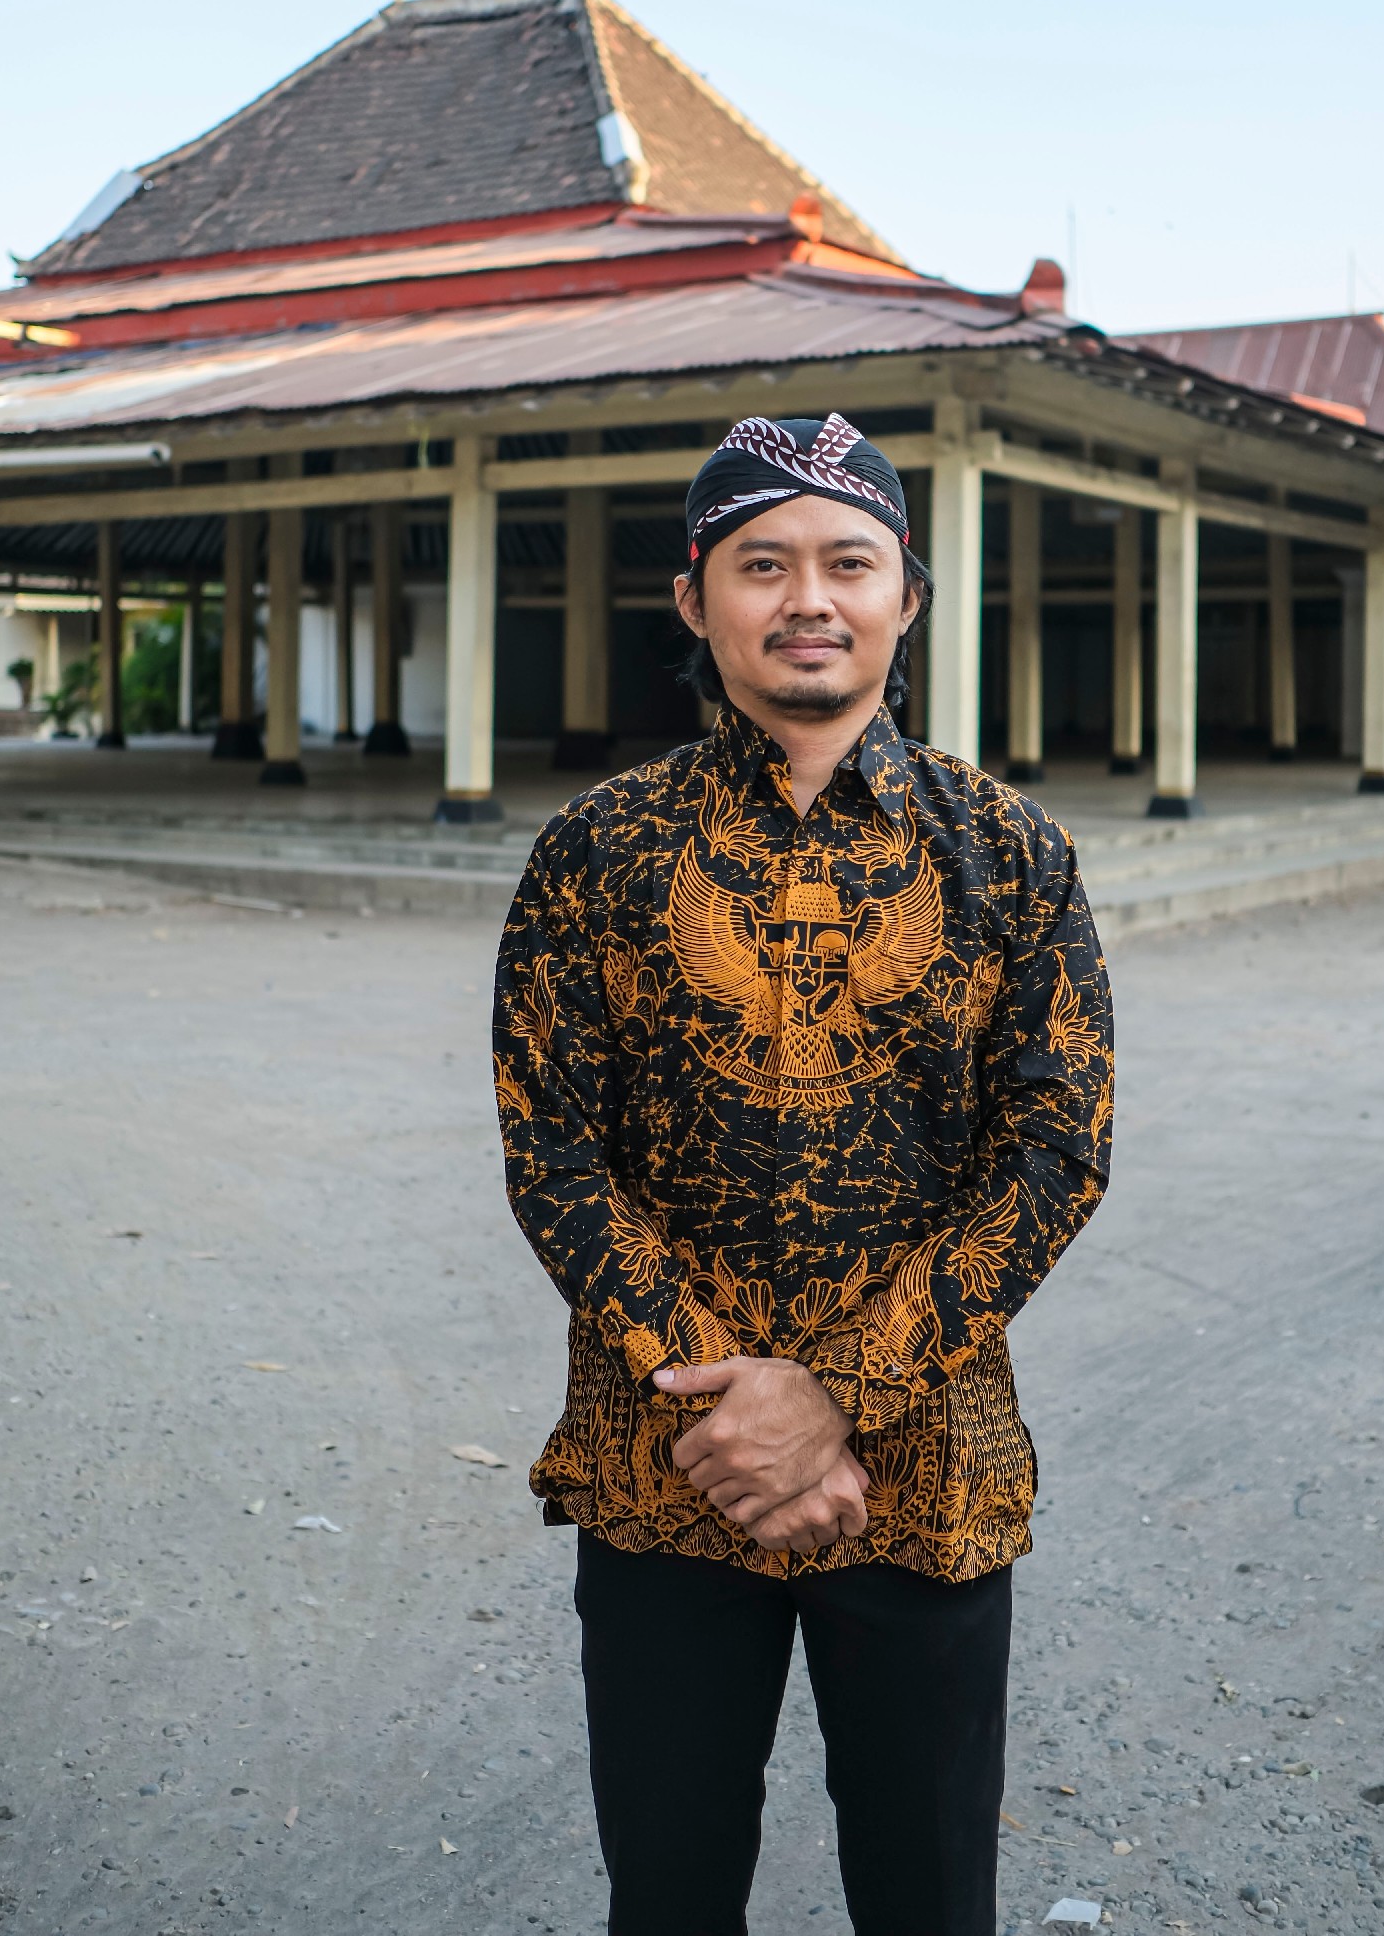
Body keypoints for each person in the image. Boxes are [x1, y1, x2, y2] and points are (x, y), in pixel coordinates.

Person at [493, 411, 1113, 1936]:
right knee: (671, 1884)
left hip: (927, 1464)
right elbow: (550, 1144)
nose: (809, 598)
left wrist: (835, 1390)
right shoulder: (598, 851)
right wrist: (734, 1397)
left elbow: (1057, 1147)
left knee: (927, 1892)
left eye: (850, 561)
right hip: (666, 1460)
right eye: (761, 564)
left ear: (908, 594)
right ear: (697, 599)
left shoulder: (1011, 853)